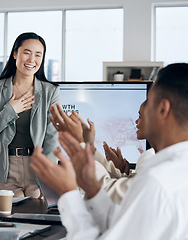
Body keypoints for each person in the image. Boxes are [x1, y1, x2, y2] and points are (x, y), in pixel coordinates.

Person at [30, 63, 188, 239]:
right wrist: (91, 186)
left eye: (149, 101)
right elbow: (118, 220)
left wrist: (68, 194)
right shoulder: (176, 171)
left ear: (163, 109)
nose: (141, 112)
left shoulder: (157, 182)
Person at [0, 32, 60, 197]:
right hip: (5, 168)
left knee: (35, 220)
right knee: (9, 220)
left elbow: (52, 137)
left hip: (38, 168)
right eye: (27, 52)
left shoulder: (50, 92)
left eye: (38, 54)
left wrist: (48, 175)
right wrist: (10, 110)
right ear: (15, 53)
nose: (32, 59)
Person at [49, 101, 155, 203]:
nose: (136, 121)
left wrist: (78, 143)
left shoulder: (150, 159)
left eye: (140, 117)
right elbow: (124, 187)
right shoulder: (153, 158)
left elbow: (109, 192)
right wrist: (89, 146)